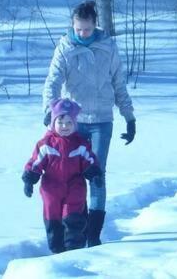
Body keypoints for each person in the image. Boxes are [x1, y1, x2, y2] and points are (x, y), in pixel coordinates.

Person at [42, 0, 136, 247]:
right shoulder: (65, 47)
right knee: (73, 177)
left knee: (96, 175)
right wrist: (49, 109)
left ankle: (93, 235)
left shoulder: (108, 47)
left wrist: (129, 117)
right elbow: (53, 80)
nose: (82, 33)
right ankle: (76, 230)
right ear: (72, 26)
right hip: (73, 122)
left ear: (95, 25)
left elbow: (118, 83)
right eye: (78, 29)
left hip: (102, 121)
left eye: (87, 29)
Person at [22, 98, 104, 254]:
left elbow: (90, 160)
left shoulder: (80, 144)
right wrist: (29, 180)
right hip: (51, 188)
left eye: (69, 123)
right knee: (53, 217)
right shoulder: (45, 144)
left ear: (75, 124)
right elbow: (35, 163)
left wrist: (94, 174)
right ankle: (57, 249)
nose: (65, 126)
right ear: (53, 123)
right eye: (61, 123)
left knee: (73, 217)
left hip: (75, 186)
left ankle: (74, 249)